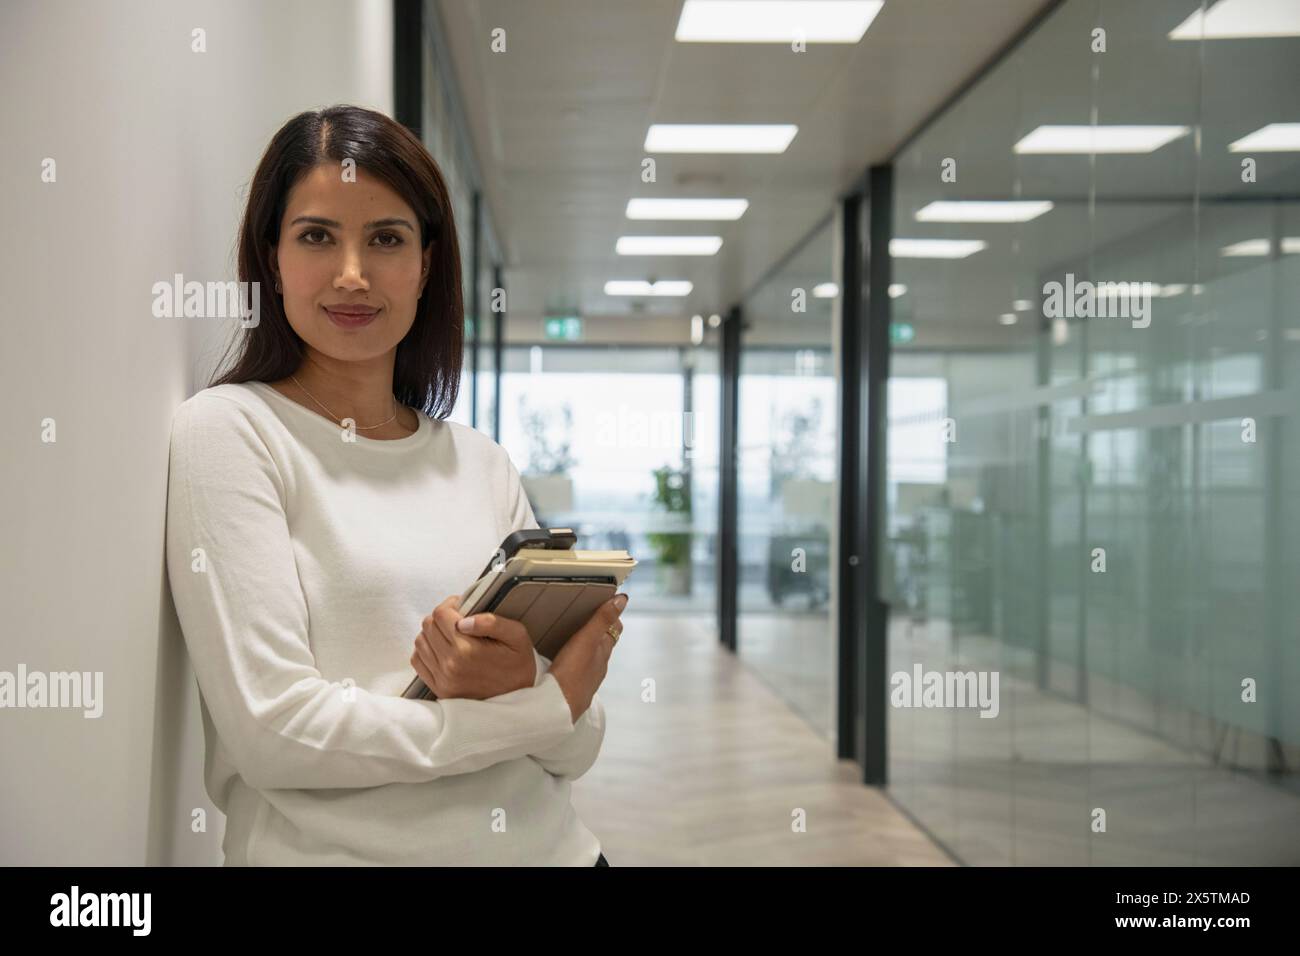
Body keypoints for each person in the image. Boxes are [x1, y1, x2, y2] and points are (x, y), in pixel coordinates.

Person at [165, 104, 623, 866]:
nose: (353, 274)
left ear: (425, 267)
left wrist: (534, 694)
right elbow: (276, 733)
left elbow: (576, 746)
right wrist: (539, 707)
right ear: (271, 260)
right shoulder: (231, 432)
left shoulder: (482, 463)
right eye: (317, 236)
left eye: (386, 238)